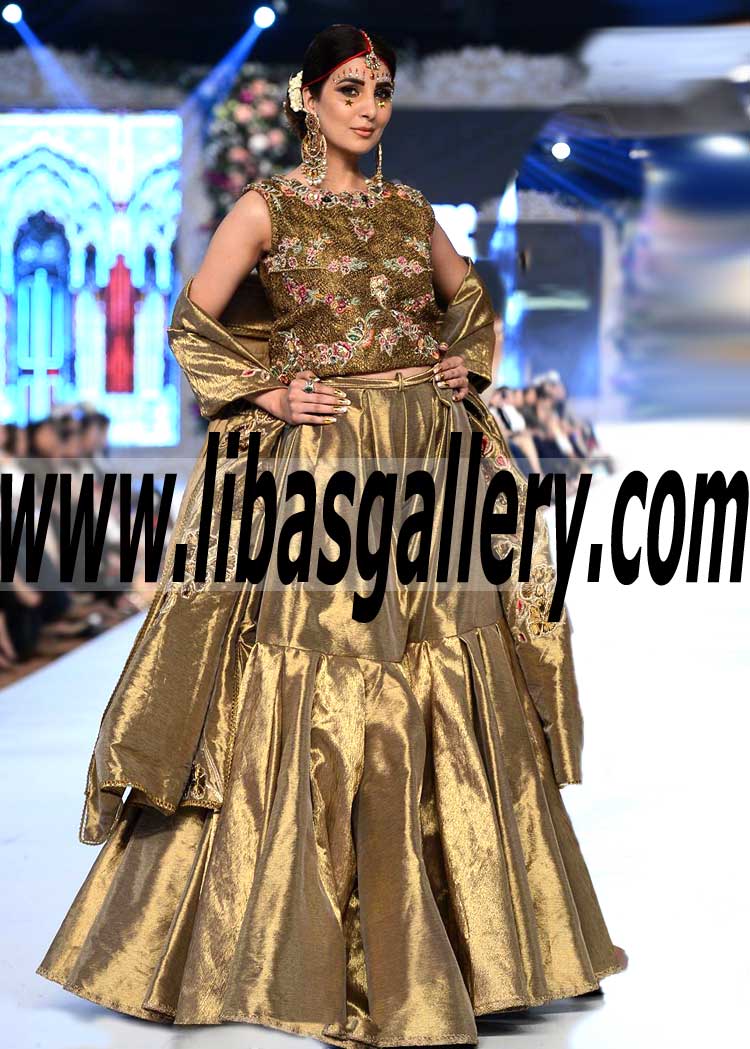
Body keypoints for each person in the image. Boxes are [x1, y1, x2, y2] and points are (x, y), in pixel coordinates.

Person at [36, 24, 627, 1049]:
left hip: (430, 463)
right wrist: (270, 391)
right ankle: (299, 944)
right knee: (330, 673)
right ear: (306, 98)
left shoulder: (408, 211)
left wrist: (462, 364)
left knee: (446, 670)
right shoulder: (266, 209)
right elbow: (191, 323)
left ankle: (480, 949)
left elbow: (470, 302)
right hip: (328, 467)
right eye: (350, 88)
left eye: (381, 90)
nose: (369, 107)